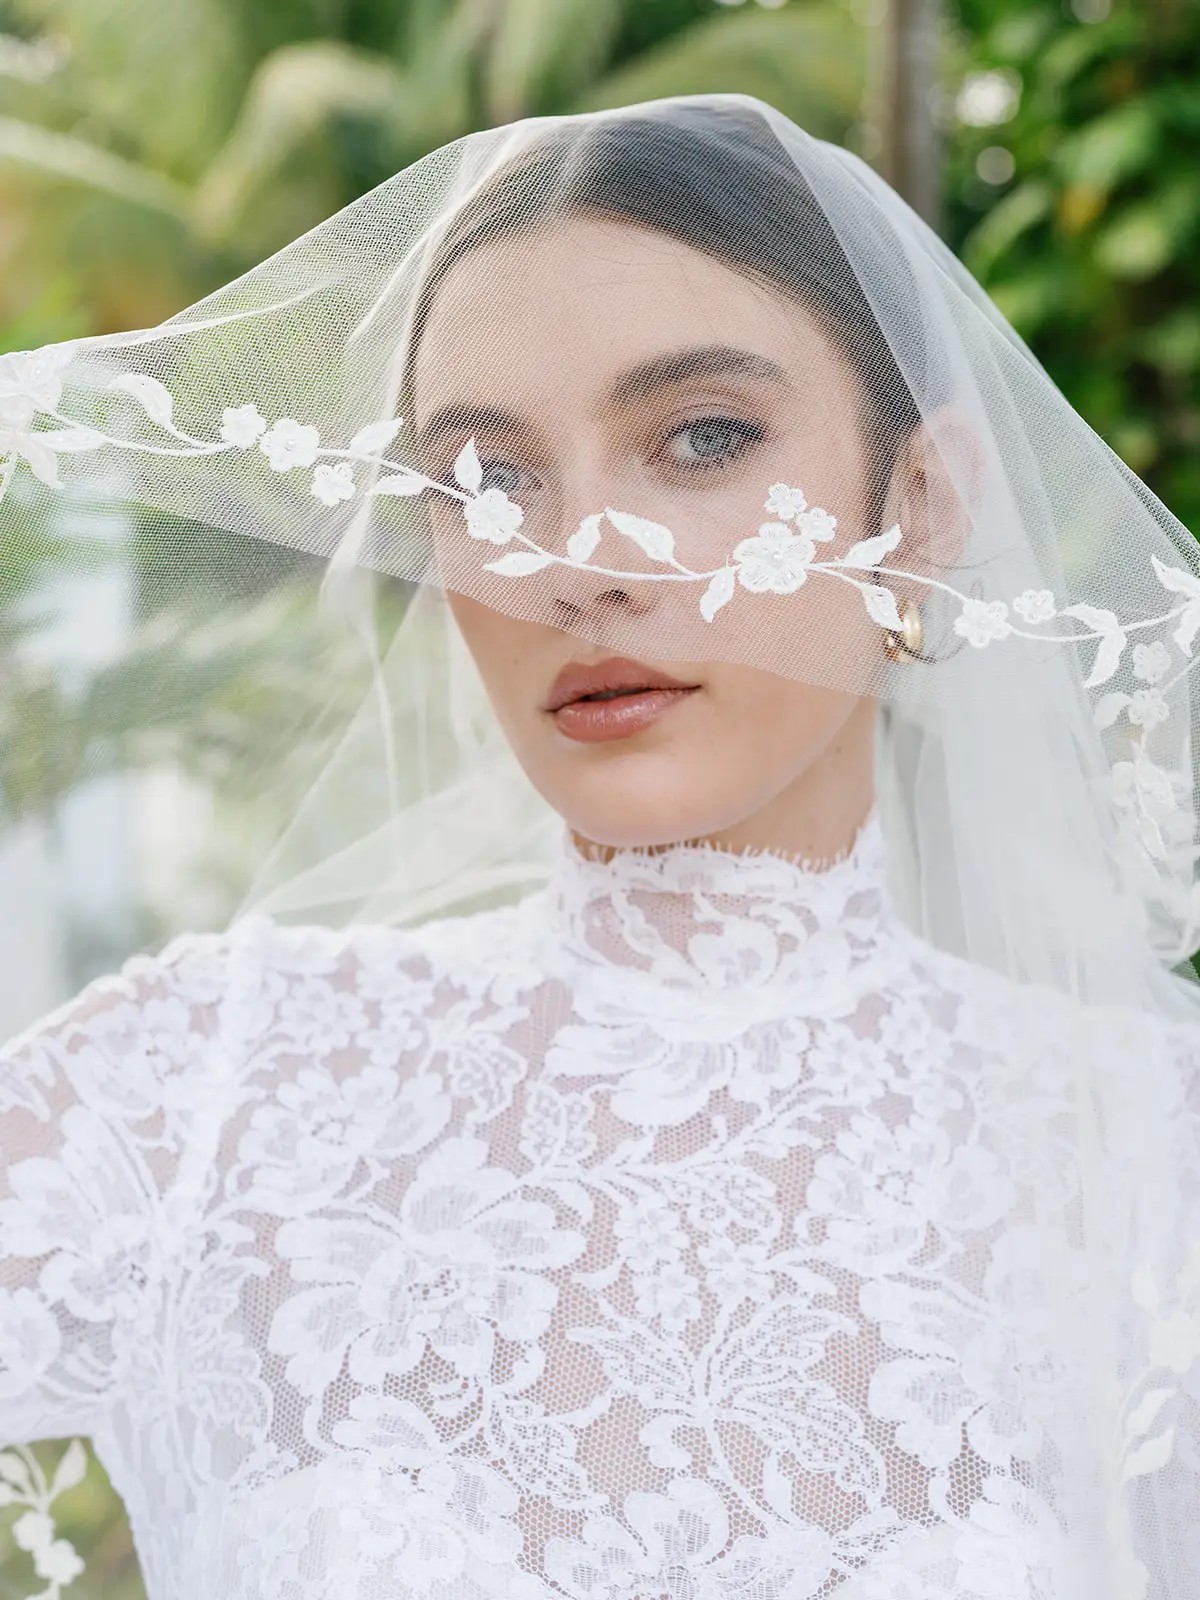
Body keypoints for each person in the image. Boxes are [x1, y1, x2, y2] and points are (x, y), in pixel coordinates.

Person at [1, 93, 1199, 1600]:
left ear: (919, 507)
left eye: (700, 438)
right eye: (490, 480)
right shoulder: (205, 1090)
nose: (575, 564)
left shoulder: (1159, 1159)